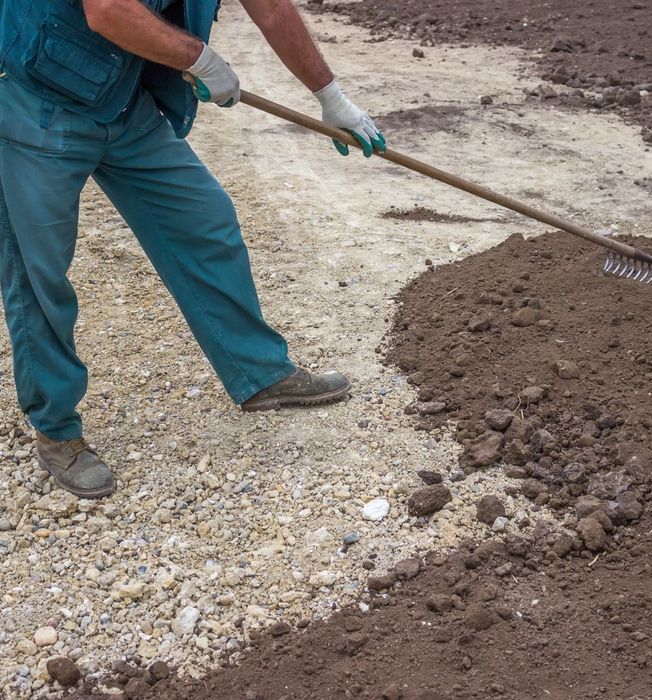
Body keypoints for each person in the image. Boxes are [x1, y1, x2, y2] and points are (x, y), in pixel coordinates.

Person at [0, 0, 386, 499]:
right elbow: (109, 9)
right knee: (40, 272)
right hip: (35, 97)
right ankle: (56, 431)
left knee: (206, 223)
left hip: (121, 101)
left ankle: (258, 372)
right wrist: (198, 57)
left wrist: (331, 97)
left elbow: (270, 8)